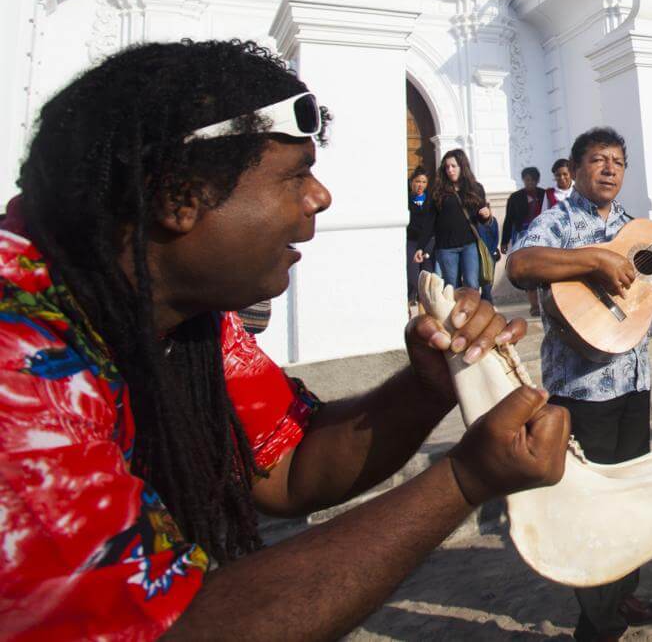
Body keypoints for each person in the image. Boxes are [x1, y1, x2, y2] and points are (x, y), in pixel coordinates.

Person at [0, 39, 570, 639]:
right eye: (296, 174)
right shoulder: (20, 368)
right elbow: (168, 631)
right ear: (176, 196)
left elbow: (287, 468)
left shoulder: (178, 312)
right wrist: (463, 481)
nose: (320, 196)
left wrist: (426, 388)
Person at [504, 126, 652, 642]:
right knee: (593, 507)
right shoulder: (556, 221)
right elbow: (520, 265)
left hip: (632, 383)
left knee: (631, 501)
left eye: (618, 161)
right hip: (582, 391)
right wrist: (593, 258)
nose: (611, 168)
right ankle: (597, 625)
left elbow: (644, 298)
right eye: (599, 159)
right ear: (575, 169)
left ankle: (624, 596)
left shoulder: (634, 228)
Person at [430, 148, 491, 293]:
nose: (450, 170)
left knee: (472, 284)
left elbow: (481, 219)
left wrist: (486, 215)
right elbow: (430, 219)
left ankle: (471, 315)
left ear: (462, 167)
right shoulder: (439, 191)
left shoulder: (475, 188)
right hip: (446, 247)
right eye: (447, 167)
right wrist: (421, 246)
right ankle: (456, 315)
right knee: (452, 286)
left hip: (469, 244)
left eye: (453, 166)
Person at [407, 166, 436, 305]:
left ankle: (424, 304)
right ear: (412, 182)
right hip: (411, 241)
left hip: (428, 242)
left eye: (424, 182)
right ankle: (411, 299)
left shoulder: (431, 200)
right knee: (413, 275)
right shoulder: (405, 199)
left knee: (427, 274)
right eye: (418, 181)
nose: (420, 185)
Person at [502, 167, 545, 253]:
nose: (530, 182)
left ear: (538, 180)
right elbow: (508, 220)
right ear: (523, 180)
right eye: (527, 180)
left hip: (541, 234)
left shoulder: (544, 195)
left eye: (533, 180)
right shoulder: (515, 197)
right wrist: (504, 242)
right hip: (521, 235)